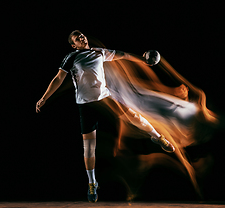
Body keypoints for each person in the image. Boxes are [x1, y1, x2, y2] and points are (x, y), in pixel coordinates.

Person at [35, 30, 175, 203]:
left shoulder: (99, 52)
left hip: (105, 99)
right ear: (74, 45)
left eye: (82, 35)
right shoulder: (71, 57)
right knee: (89, 147)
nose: (81, 37)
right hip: (86, 105)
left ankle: (158, 137)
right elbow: (58, 79)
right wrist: (44, 98)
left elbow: (123, 55)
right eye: (77, 37)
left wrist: (143, 60)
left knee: (134, 117)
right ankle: (92, 183)